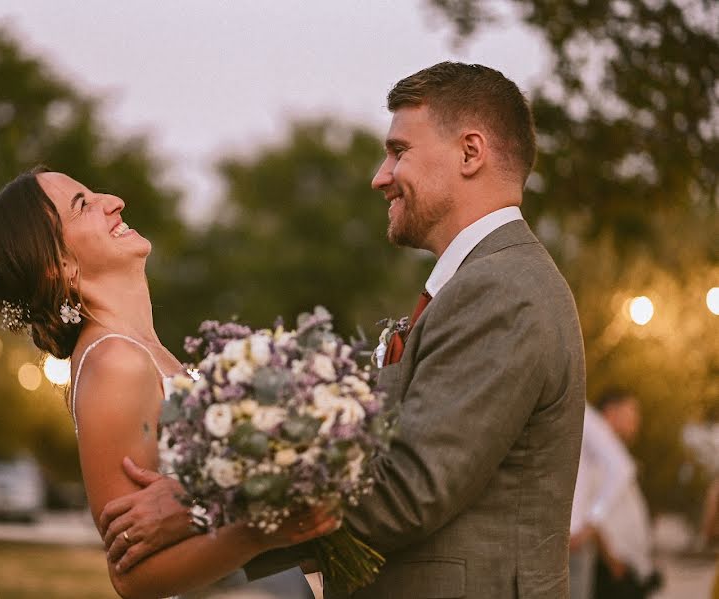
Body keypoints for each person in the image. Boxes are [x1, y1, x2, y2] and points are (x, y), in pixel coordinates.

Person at [100, 61, 587, 598]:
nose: (380, 175)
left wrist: (203, 504)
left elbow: (406, 491)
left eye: (399, 151)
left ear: (471, 153)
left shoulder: (503, 289)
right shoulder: (480, 282)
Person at [0, 168, 335, 598]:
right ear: (57, 266)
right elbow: (132, 575)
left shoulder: (141, 353)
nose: (114, 200)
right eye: (82, 205)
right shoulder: (113, 362)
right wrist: (256, 532)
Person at [590, 389, 662, 599]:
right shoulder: (596, 453)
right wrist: (612, 560)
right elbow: (590, 509)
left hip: (627, 571)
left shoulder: (613, 452)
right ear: (611, 412)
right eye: (631, 412)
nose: (636, 420)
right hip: (611, 572)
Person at [568, 402, 636, 599]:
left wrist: (591, 522)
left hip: (572, 543)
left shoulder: (582, 413)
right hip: (564, 539)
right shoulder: (577, 410)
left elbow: (622, 469)